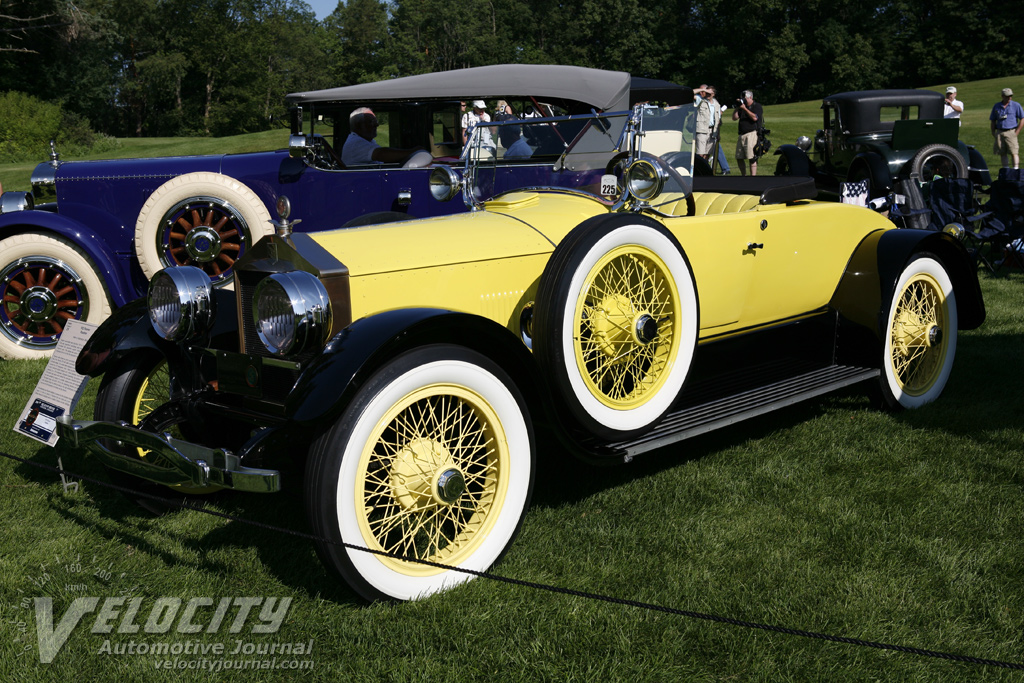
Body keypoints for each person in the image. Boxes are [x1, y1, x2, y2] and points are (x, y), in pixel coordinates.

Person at [341, 107, 423, 166]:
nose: (377, 124)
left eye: (375, 121)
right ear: (358, 125)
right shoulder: (356, 144)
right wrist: (414, 152)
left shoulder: (368, 140)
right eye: (371, 122)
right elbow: (382, 154)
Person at [990, 87, 1024, 170]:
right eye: (1007, 96)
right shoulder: (997, 106)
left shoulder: (1016, 105)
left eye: (1010, 96)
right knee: (1002, 152)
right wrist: (993, 132)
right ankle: (1006, 169)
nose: (1009, 98)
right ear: (1002, 96)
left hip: (1011, 131)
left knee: (1014, 152)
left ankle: (1015, 169)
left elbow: (1022, 118)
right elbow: (993, 120)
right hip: (1000, 131)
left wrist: (1017, 131)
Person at [732, 90, 763, 176]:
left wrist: (744, 108)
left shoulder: (756, 106)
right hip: (741, 134)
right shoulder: (742, 107)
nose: (743, 100)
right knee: (739, 157)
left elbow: (755, 118)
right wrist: (738, 107)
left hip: (751, 134)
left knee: (751, 157)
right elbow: (734, 118)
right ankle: (744, 176)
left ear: (750, 97)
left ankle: (753, 177)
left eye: (744, 98)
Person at [708, 85, 730, 174]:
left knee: (716, 149)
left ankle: (725, 168)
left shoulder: (715, 103)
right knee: (715, 149)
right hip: (707, 130)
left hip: (712, 130)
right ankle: (725, 168)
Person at [694, 85, 715, 159]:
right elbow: (691, 93)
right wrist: (703, 89)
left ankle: (705, 170)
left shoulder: (715, 103)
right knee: (700, 153)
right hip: (702, 130)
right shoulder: (700, 99)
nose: (702, 93)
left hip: (711, 131)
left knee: (707, 154)